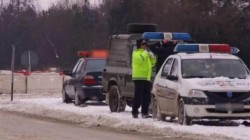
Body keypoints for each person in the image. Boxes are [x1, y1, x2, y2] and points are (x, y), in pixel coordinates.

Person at [131, 39, 156, 118]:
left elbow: (152, 64)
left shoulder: (146, 53)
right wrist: (145, 54)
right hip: (138, 77)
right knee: (138, 96)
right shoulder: (135, 53)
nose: (144, 46)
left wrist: (152, 57)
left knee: (147, 97)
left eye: (145, 44)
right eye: (143, 44)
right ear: (139, 45)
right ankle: (135, 112)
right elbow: (140, 60)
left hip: (146, 78)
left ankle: (145, 112)